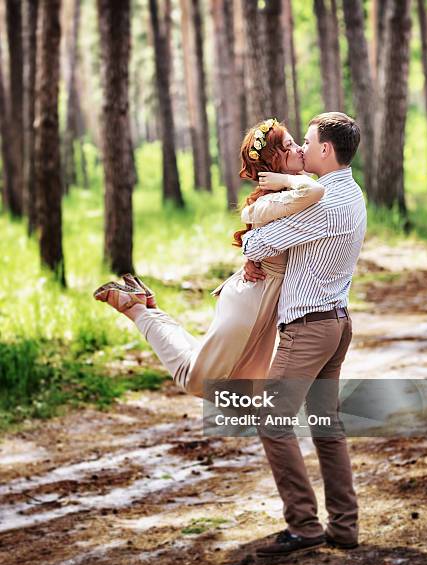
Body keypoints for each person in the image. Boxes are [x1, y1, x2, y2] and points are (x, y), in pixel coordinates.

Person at [93, 118, 325, 399]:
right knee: (200, 382)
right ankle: (138, 310)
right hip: (250, 305)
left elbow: (311, 193)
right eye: (290, 145)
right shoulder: (270, 201)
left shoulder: (289, 193)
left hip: (260, 302)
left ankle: (144, 307)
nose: (301, 149)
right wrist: (287, 180)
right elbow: (313, 190)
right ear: (274, 158)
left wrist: (287, 181)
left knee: (237, 392)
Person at [240, 112, 367, 557]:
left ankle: (304, 525)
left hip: (309, 326)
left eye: (308, 142)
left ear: (326, 150)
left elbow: (257, 244)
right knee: (326, 427)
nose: (302, 149)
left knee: (271, 422)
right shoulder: (351, 192)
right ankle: (344, 528)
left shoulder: (326, 202)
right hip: (336, 323)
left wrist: (255, 238)